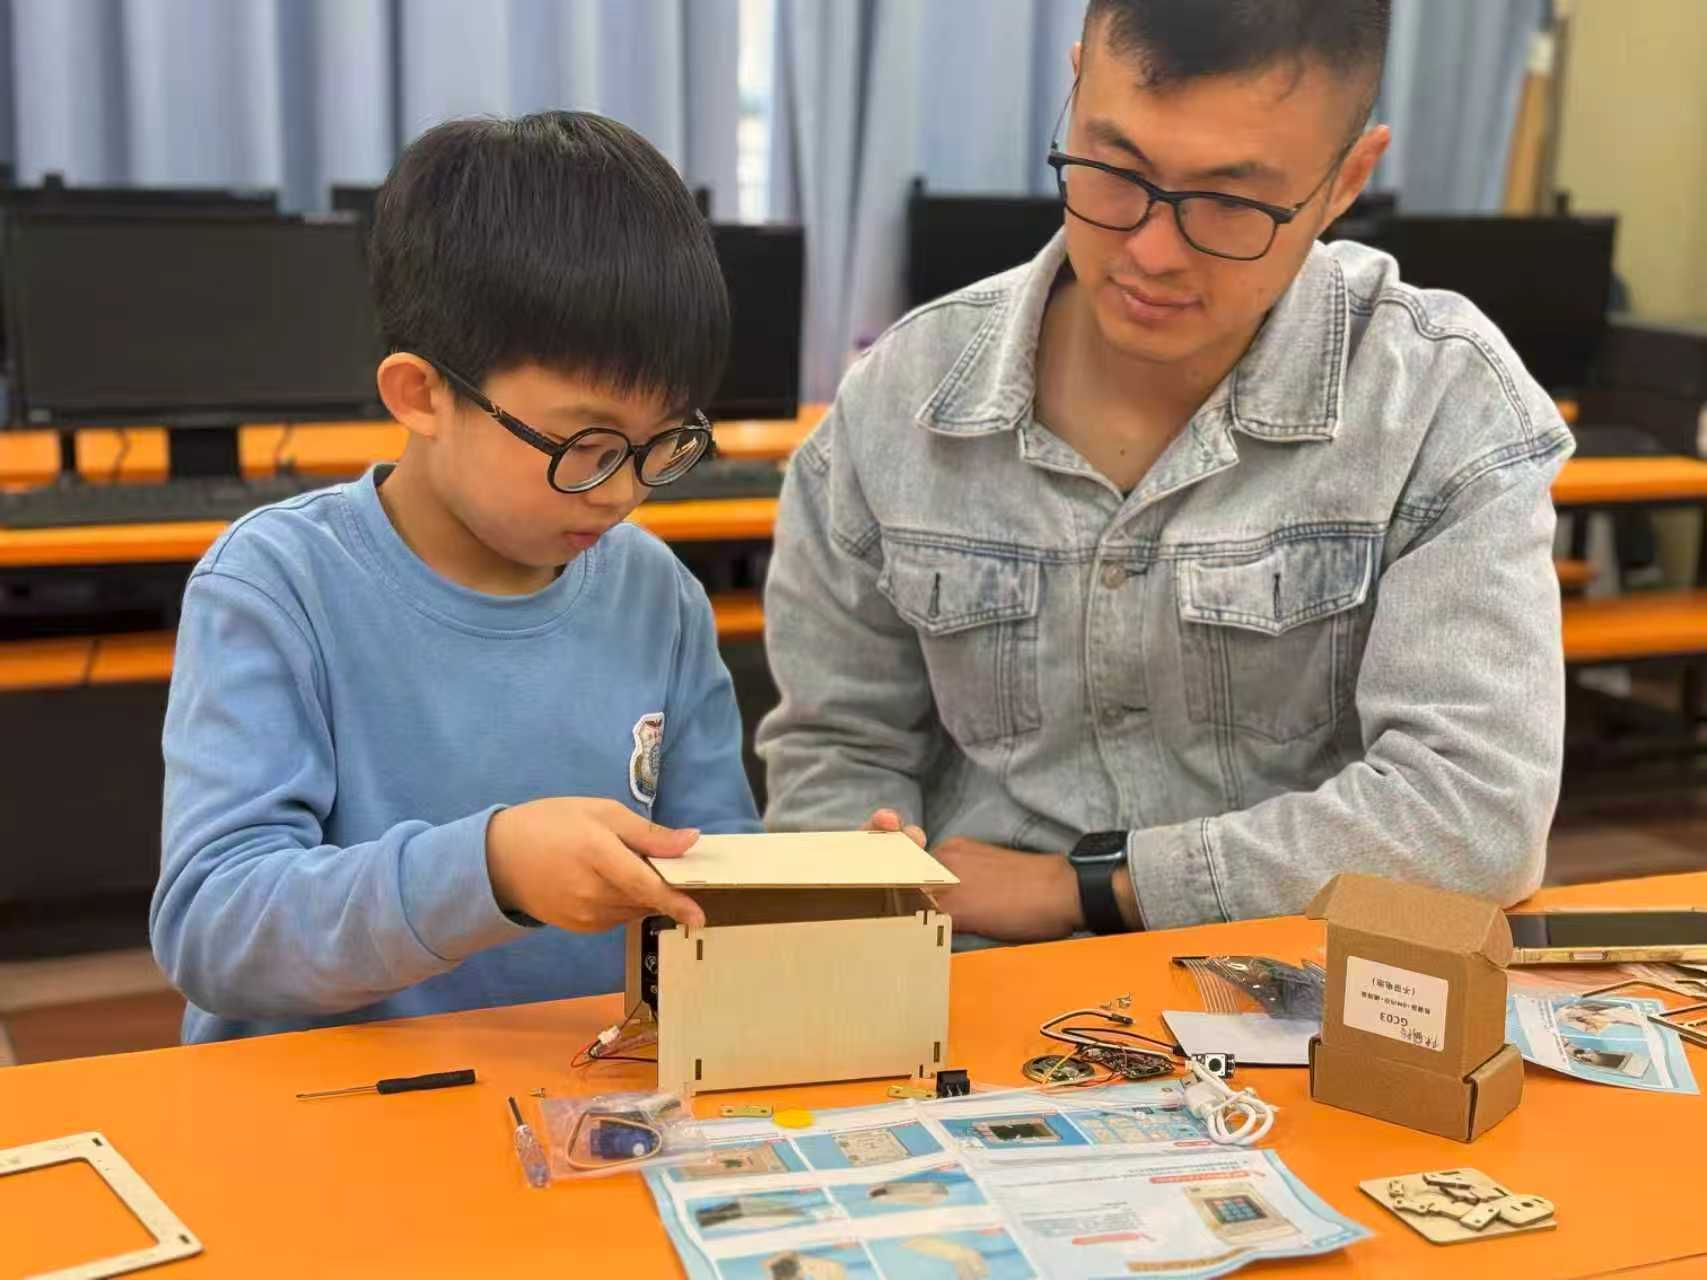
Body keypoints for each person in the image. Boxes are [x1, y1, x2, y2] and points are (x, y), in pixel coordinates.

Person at [759, 0, 1572, 941]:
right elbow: (836, 751)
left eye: (1230, 204)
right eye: (1114, 170)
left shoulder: (1436, 400)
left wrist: (1093, 888)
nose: (1149, 252)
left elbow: (1473, 816)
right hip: (965, 969)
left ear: (1345, 179)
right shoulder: (900, 399)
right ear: (1075, 91)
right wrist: (865, 928)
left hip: (1295, 983)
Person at [152, 112, 897, 1042]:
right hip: (334, 1097)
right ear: (422, 395)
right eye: (584, 443)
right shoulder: (279, 585)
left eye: (663, 441)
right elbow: (215, 927)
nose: (622, 491)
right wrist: (490, 869)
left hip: (588, 1092)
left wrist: (812, 895)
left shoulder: (655, 594)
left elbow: (701, 864)